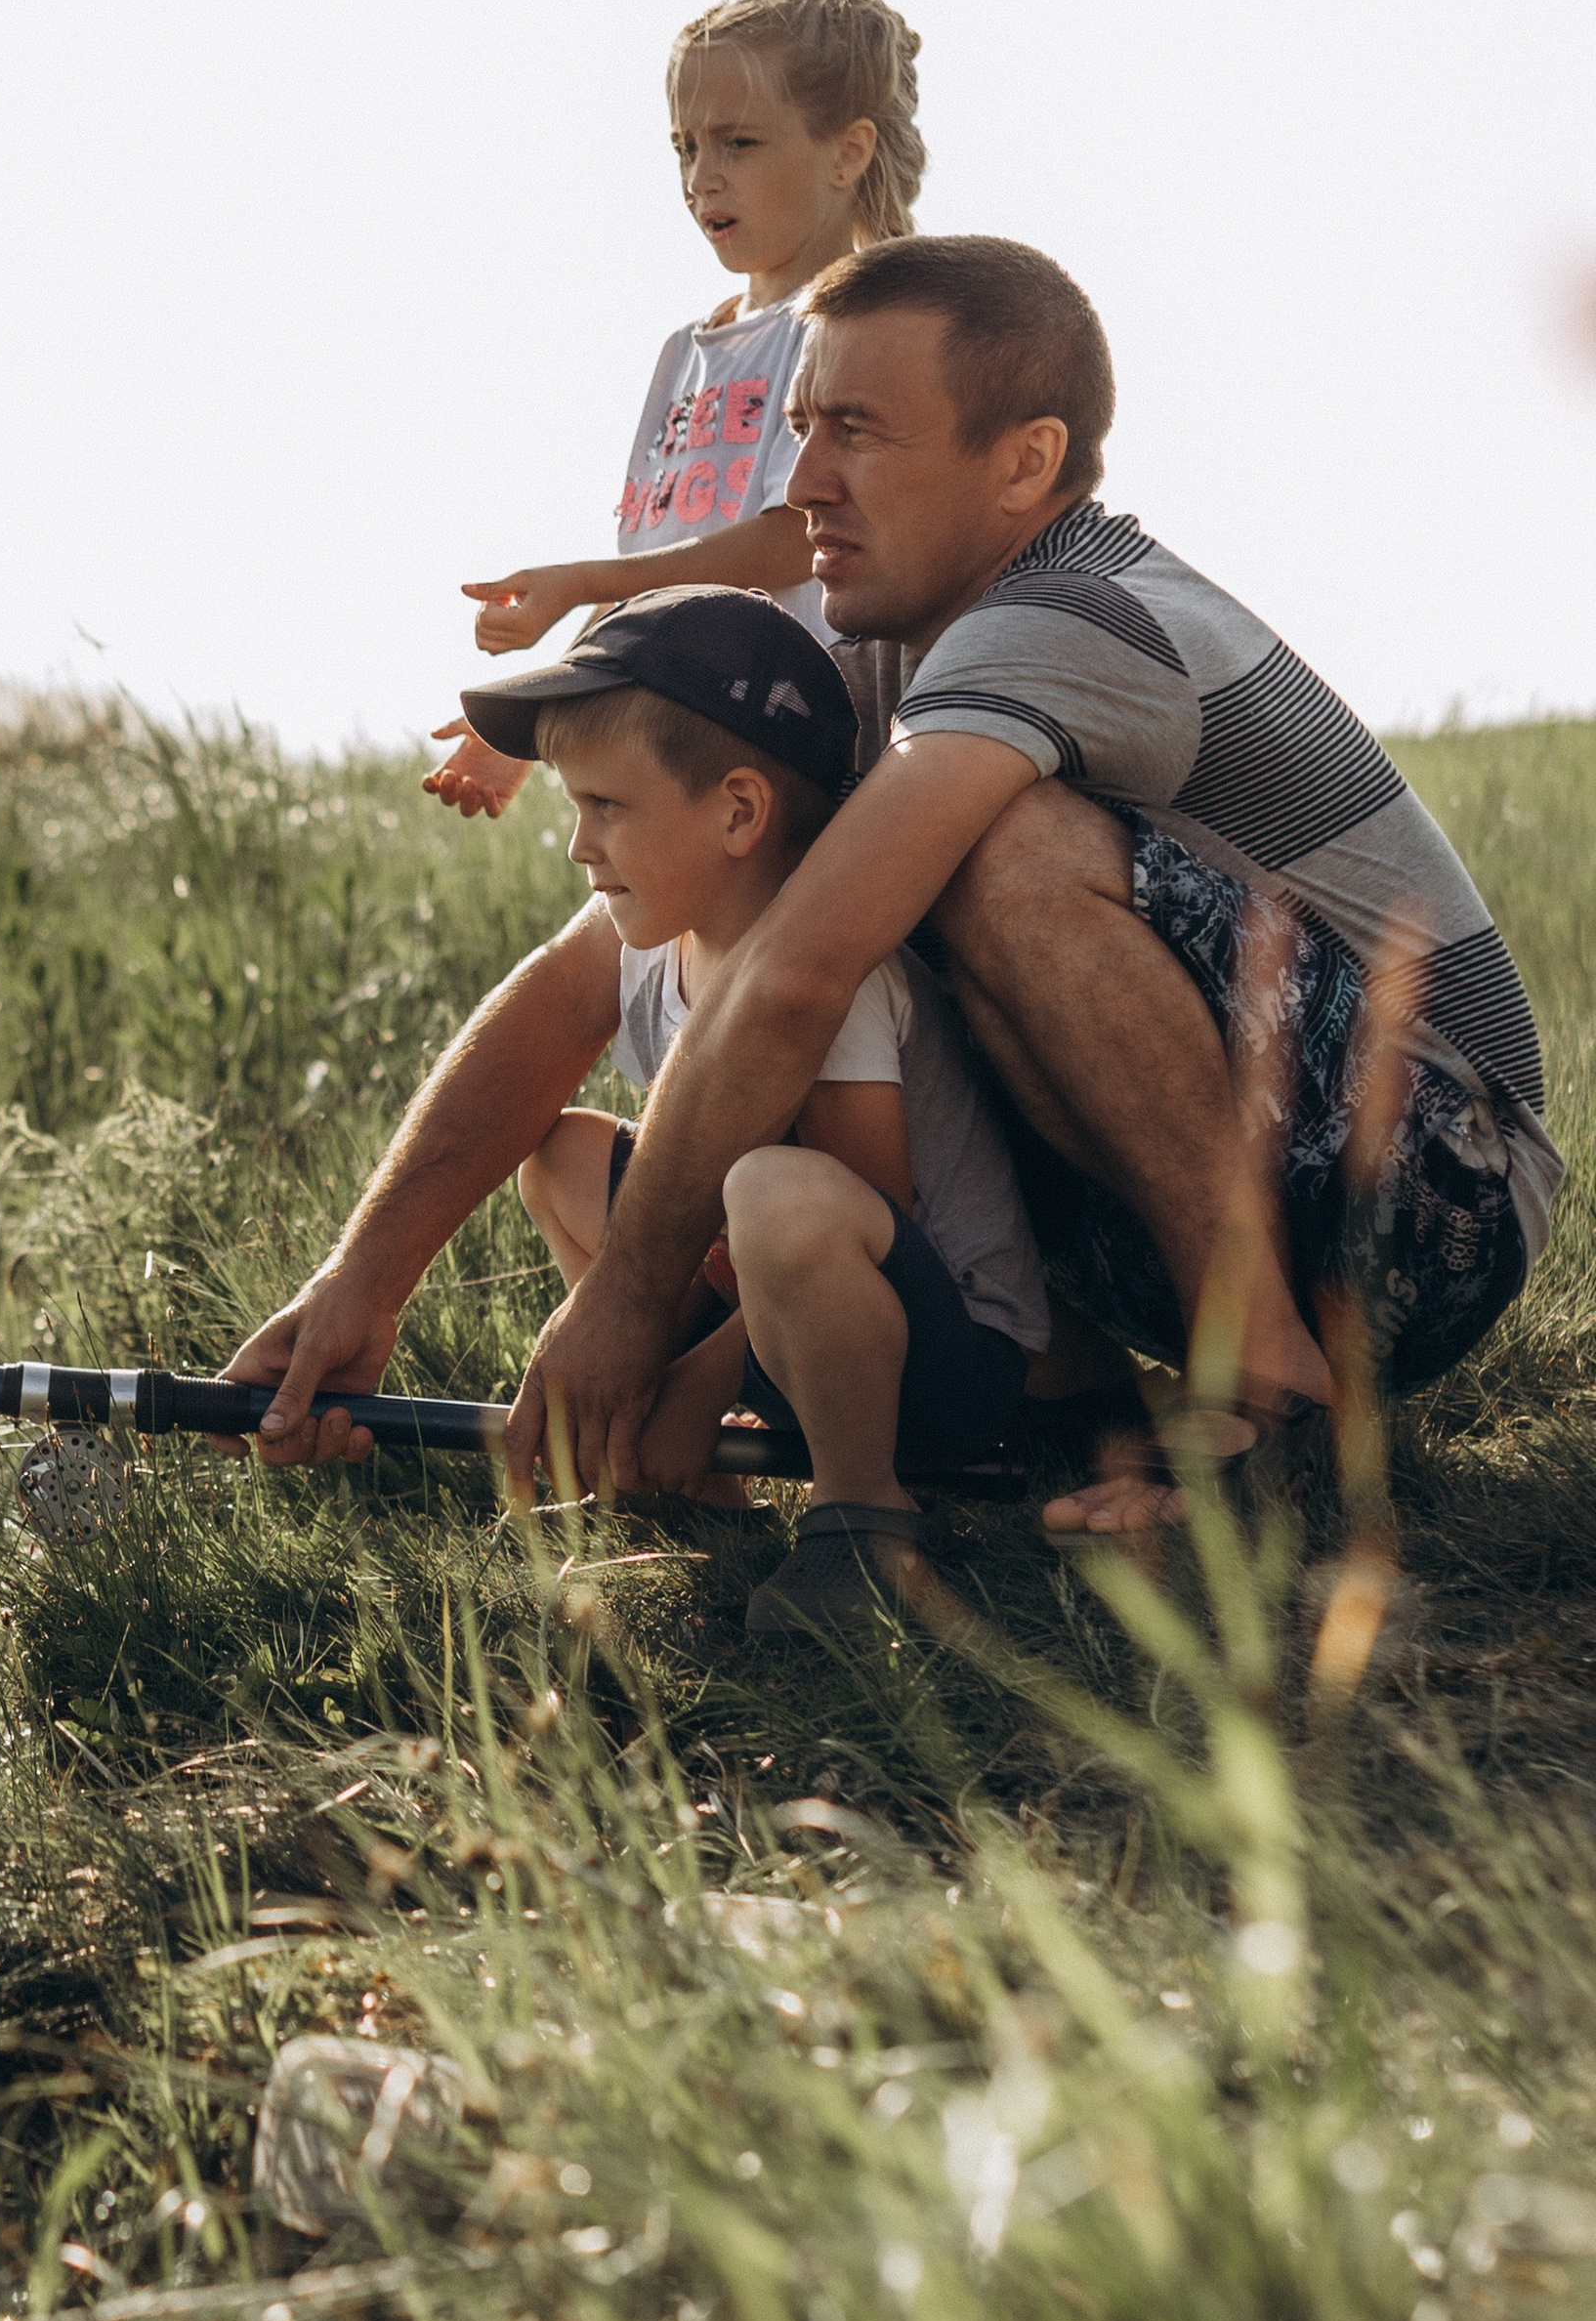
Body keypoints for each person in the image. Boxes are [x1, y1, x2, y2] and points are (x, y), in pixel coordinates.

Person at [239, 236, 1560, 1542]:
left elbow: (803, 969)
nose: (804, 481)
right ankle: (1058, 1397)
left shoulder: (1073, 616)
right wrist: (364, 1281)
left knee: (990, 857)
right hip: (1217, 1185)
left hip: (1428, 1189)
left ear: (1025, 462)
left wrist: (629, 1305)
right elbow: (585, 977)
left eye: (858, 432)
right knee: (850, 880)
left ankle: (1272, 1395)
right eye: (803, 427)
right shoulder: (882, 656)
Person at [231, 583, 1053, 1620]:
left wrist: (707, 1381)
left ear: (739, 812)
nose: (579, 846)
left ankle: (862, 1516)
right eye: (573, 807)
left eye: (604, 808)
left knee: (774, 1193)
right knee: (566, 1155)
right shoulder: (651, 946)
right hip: (779, 1299)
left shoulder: (832, 973)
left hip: (939, 1366)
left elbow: (868, 1213)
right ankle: (682, 1477)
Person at [421, 0, 925, 824]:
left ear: (847, 154)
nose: (702, 178)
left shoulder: (847, 330)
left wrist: (581, 582)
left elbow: (791, 539)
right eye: (685, 146)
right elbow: (659, 571)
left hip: (794, 744)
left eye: (739, 143)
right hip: (682, 742)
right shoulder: (682, 355)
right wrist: (532, 718)